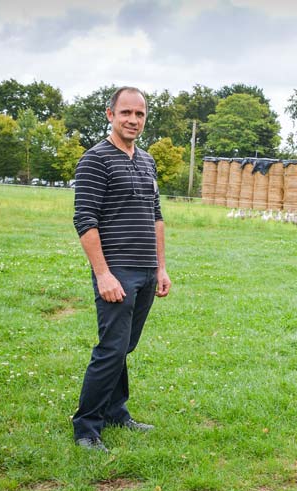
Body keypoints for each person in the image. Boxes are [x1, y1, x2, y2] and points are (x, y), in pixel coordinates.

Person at [71, 86, 171, 452]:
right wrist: (103, 274)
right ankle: (86, 428)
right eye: (126, 113)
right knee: (111, 349)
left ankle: (116, 412)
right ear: (110, 115)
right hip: (117, 272)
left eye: (140, 114)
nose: (133, 120)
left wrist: (161, 268)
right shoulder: (95, 160)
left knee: (125, 346)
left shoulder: (147, 161)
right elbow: (85, 220)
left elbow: (156, 217)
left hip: (146, 271)